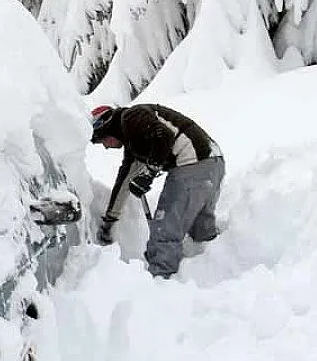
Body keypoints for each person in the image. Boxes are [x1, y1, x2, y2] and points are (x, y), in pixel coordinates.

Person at [90, 103, 225, 279]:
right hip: (212, 163)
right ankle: (215, 274)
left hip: (192, 165)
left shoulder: (131, 117)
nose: (106, 147)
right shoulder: (134, 138)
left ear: (106, 128)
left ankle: (160, 283)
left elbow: (163, 136)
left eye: (101, 141)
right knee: (200, 230)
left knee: (164, 231)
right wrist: (110, 219)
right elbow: (124, 181)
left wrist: (149, 172)